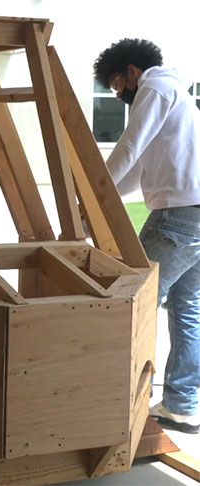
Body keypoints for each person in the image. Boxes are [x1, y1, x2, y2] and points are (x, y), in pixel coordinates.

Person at [94, 38, 200, 434]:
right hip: (195, 213)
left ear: (132, 72)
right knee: (187, 309)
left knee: (131, 303)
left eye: (118, 86)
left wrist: (93, 189)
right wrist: (99, 205)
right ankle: (182, 405)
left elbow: (129, 147)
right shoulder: (177, 95)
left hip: (176, 216)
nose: (119, 94)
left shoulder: (154, 87)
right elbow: (139, 173)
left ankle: (118, 405)